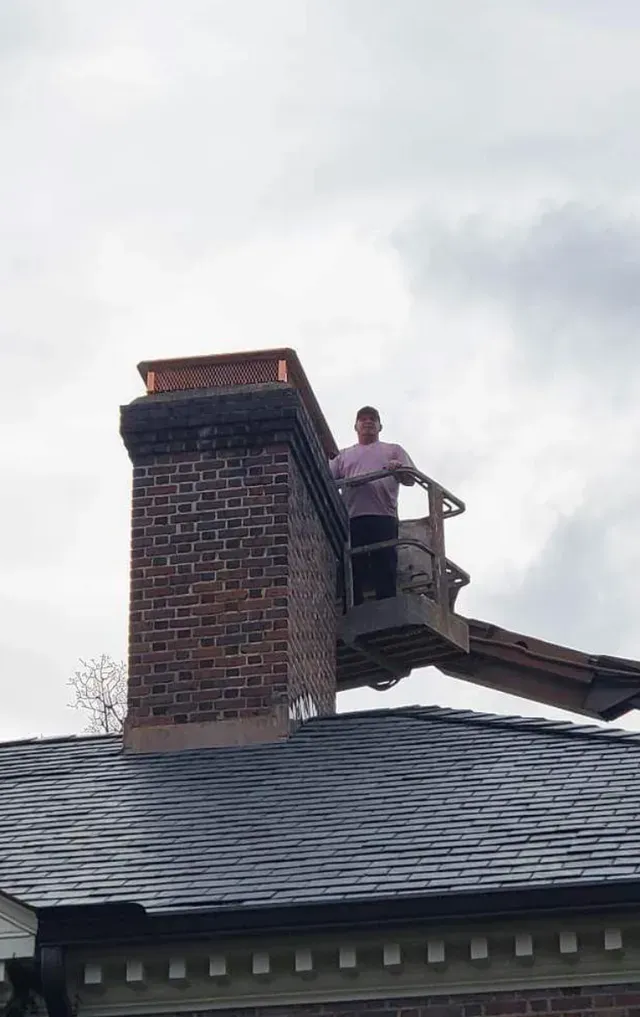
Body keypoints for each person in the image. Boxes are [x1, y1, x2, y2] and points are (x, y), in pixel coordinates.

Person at [329, 406, 415, 607]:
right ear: (356, 426)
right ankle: (353, 607)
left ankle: (388, 606)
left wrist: (398, 469)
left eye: (372, 419)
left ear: (380, 426)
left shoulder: (393, 450)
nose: (368, 422)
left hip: (383, 516)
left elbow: (410, 478)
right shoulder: (343, 456)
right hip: (353, 518)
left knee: (385, 564)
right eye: (363, 419)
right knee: (353, 566)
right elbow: (327, 479)